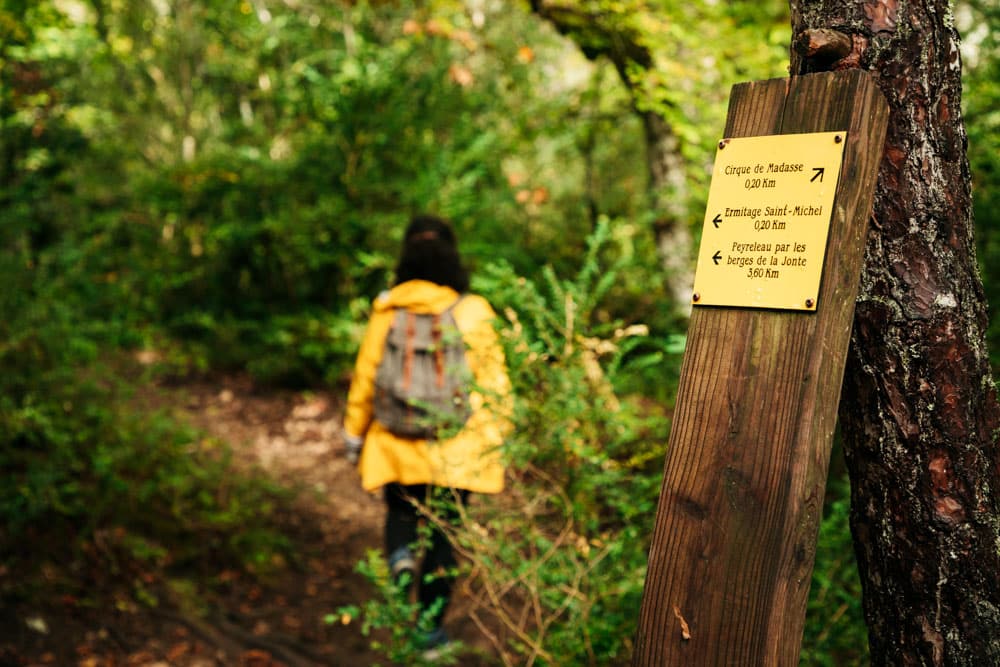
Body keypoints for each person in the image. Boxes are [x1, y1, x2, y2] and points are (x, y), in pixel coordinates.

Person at [342, 214, 511, 652]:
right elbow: (494, 387)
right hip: (457, 450)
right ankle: (429, 633)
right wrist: (493, 441)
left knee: (400, 514)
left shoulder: (388, 309)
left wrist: (354, 435)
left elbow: (366, 378)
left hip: (395, 443)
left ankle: (400, 569)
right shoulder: (474, 311)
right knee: (443, 536)